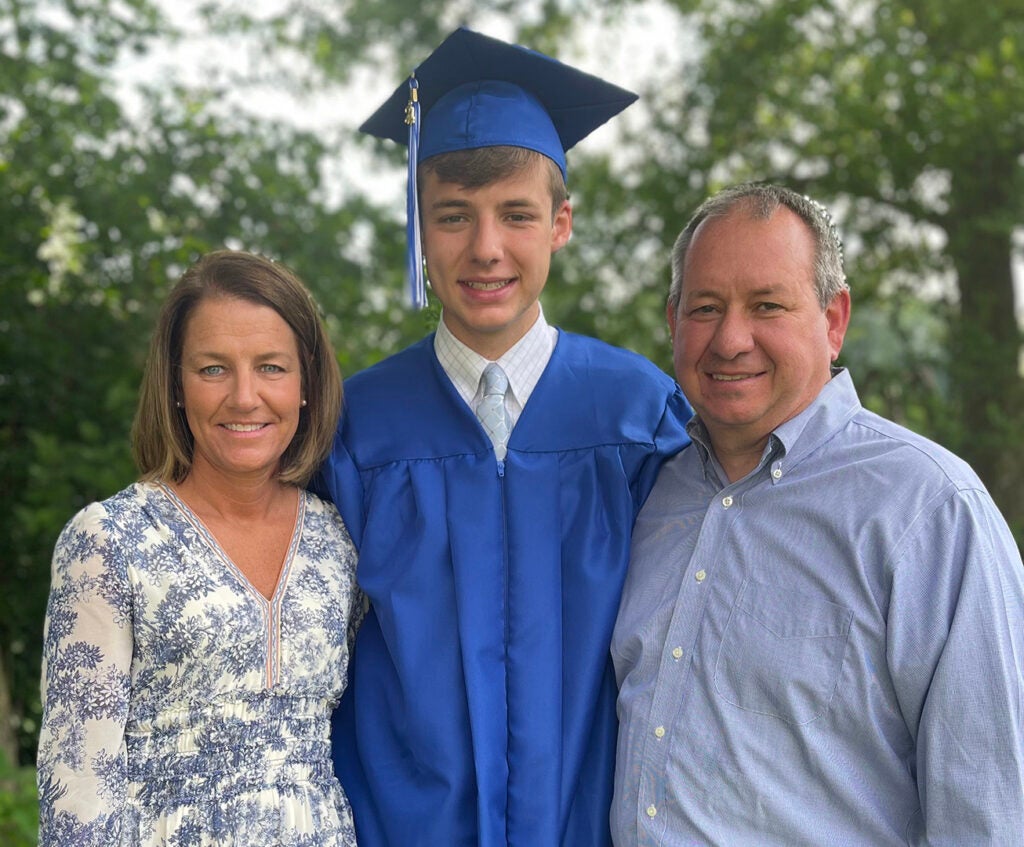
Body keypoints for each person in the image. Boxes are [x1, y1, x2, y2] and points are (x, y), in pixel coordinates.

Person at [316, 27, 692, 846]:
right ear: (419, 226)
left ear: (561, 223)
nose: (485, 248)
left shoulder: (641, 414)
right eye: (453, 216)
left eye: (516, 215)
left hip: (595, 825)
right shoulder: (356, 427)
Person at [611, 182, 1024, 845]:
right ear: (672, 322)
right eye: (705, 307)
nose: (730, 339)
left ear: (834, 319)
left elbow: (988, 816)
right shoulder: (648, 500)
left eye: (767, 305)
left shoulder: (931, 512)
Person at [37, 250, 363, 846]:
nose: (244, 397)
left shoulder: (339, 541)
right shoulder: (110, 541)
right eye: (213, 369)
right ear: (176, 385)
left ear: (307, 384)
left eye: (271, 367)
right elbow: (77, 791)